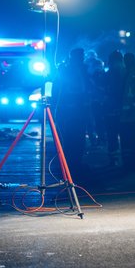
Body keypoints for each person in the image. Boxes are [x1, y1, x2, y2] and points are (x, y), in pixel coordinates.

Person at [56, 47, 90, 175]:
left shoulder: (81, 70)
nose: (82, 59)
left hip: (79, 110)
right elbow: (63, 90)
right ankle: (70, 164)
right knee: (71, 137)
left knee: (79, 137)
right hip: (71, 110)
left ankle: (75, 162)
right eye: (80, 56)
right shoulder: (68, 71)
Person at [101, 51, 126, 166]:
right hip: (123, 110)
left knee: (112, 135)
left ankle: (113, 158)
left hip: (110, 108)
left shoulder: (108, 74)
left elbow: (102, 89)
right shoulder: (126, 73)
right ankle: (123, 158)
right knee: (124, 135)